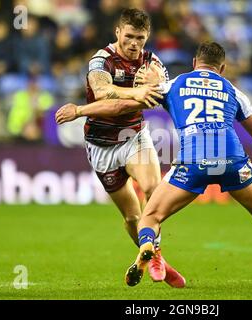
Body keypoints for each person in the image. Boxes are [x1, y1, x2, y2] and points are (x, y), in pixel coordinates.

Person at [124, 42, 252, 293]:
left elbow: (138, 100)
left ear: (195, 63)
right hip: (232, 160)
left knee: (150, 216)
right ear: (222, 68)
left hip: (193, 162)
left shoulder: (174, 84)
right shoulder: (233, 91)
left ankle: (148, 246)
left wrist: (141, 85)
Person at [56, 8, 185, 288]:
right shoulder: (100, 61)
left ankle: (151, 256)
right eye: (128, 36)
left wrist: (148, 92)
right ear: (118, 33)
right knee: (132, 217)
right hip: (101, 146)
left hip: (133, 135)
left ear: (147, 36)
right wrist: (137, 93)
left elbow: (153, 96)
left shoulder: (152, 63)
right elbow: (103, 92)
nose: (134, 43)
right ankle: (154, 255)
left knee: (154, 189)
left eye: (140, 37)